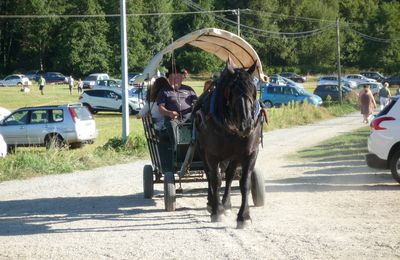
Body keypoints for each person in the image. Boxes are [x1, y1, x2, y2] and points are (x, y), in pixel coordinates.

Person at [157, 63, 198, 144]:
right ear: (168, 78)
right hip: (174, 119)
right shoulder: (164, 91)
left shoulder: (189, 89)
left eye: (178, 77)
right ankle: (178, 149)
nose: (176, 79)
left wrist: (195, 107)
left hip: (190, 118)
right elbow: (160, 108)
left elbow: (196, 103)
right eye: (173, 77)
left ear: (181, 77)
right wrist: (169, 113)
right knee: (172, 125)